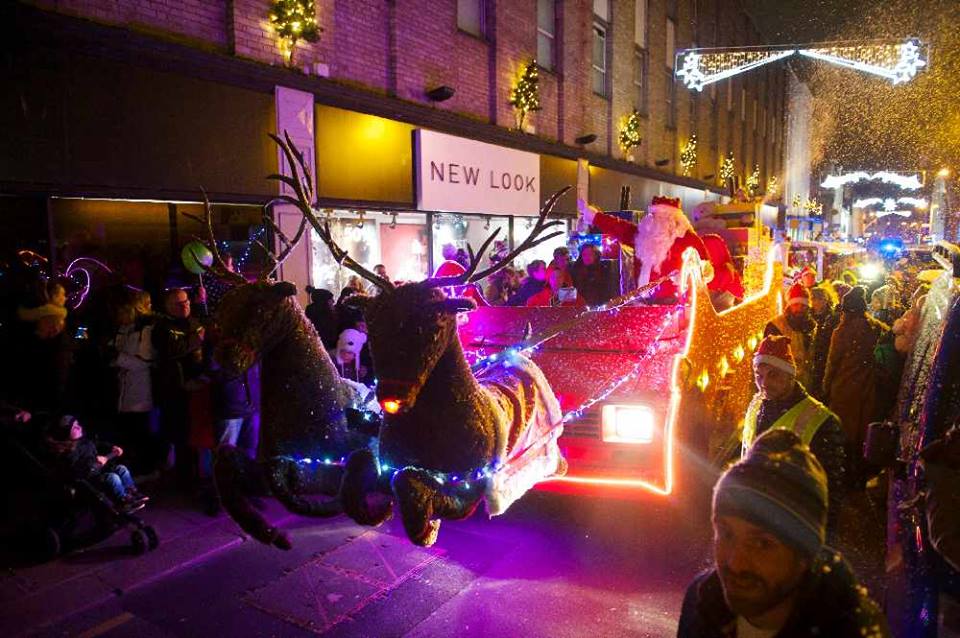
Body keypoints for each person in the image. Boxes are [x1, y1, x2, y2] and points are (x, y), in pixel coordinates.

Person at [678, 429, 890, 637]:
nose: (735, 563)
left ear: (805, 554)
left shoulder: (855, 629)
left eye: (762, 543)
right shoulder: (702, 602)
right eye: (726, 534)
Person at [742, 335, 846, 535]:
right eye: (759, 375)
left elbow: (829, 494)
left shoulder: (822, 422)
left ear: (791, 375)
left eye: (773, 375)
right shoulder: (756, 405)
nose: (764, 383)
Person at [580, 196, 713, 301]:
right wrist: (594, 216)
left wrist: (700, 270)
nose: (655, 220)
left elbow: (706, 270)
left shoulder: (688, 240)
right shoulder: (642, 235)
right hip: (643, 301)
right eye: (653, 215)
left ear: (674, 219)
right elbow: (618, 227)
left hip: (676, 304)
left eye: (661, 216)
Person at [823, 286, 890, 488]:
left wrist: (825, 388)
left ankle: (844, 476)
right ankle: (860, 475)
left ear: (847, 311)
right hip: (867, 390)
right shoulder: (874, 329)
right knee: (862, 433)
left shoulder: (841, 332)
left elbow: (832, 363)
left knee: (844, 435)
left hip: (844, 390)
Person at [152, 288, 206, 487]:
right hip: (175, 391)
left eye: (186, 302)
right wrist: (195, 340)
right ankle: (185, 480)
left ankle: (199, 476)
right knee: (181, 436)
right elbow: (170, 350)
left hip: (199, 388)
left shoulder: (194, 321)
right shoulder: (162, 327)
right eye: (179, 303)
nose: (185, 306)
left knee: (197, 435)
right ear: (168, 306)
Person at [48, 415, 149, 512]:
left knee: (121, 469)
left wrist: (111, 447)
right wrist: (93, 463)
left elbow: (98, 444)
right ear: (66, 433)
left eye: (77, 424)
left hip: (99, 471)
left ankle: (132, 492)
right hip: (89, 480)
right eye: (74, 428)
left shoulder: (84, 440)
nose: (79, 427)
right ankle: (123, 501)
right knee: (113, 477)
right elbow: (76, 470)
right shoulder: (69, 453)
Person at [110, 300, 159, 473]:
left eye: (123, 313)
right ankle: (132, 468)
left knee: (140, 433)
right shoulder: (124, 331)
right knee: (129, 433)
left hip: (140, 389)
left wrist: (119, 358)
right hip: (125, 389)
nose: (119, 317)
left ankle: (146, 469)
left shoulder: (144, 331)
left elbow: (146, 362)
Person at [764, 283, 816, 390]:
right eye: (795, 304)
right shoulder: (776, 326)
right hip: (783, 383)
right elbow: (768, 359)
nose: (799, 309)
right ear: (789, 305)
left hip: (805, 383)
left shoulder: (811, 326)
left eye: (803, 305)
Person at [808, 284, 839, 400]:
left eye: (820, 299)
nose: (816, 302)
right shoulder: (807, 317)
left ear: (826, 300)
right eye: (813, 299)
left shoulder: (833, 318)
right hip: (810, 358)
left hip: (825, 357)